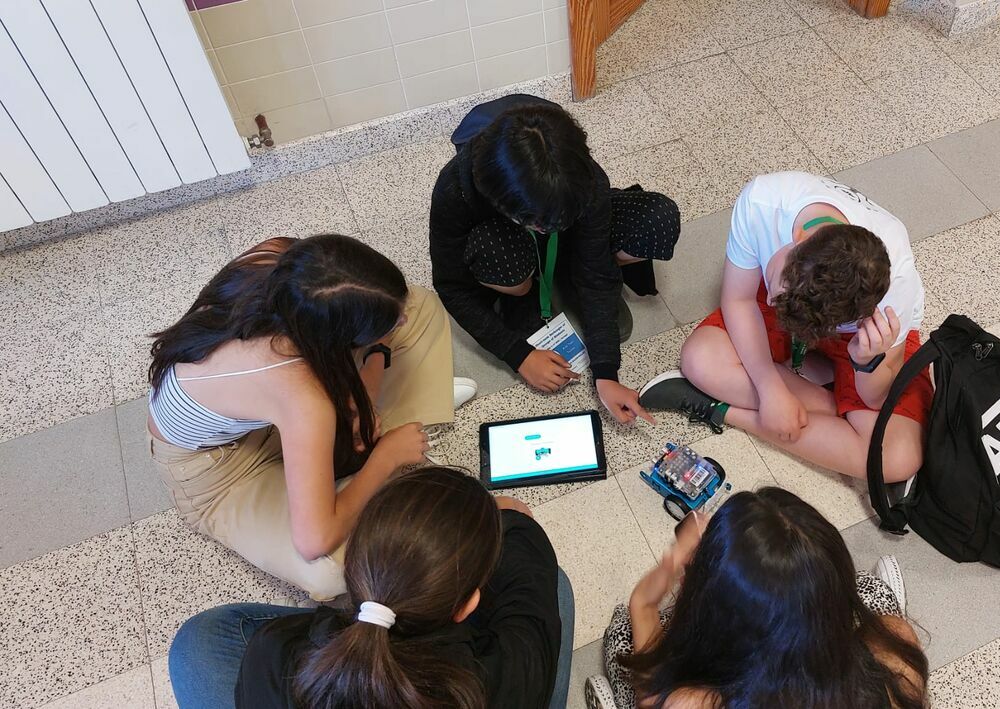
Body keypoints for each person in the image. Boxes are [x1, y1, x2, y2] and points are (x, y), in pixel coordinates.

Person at [147, 234, 475, 599]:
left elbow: (379, 326)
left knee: (420, 305)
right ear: (334, 339)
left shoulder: (279, 258)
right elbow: (314, 539)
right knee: (331, 568)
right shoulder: (302, 397)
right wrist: (385, 458)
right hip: (218, 470)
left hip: (269, 413)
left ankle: (386, 437)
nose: (401, 320)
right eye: (386, 324)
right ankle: (397, 443)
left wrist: (371, 371)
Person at [168, 467, 575, 709]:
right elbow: (524, 546)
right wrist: (503, 515)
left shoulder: (277, 651)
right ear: (467, 606)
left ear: (352, 570)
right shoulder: (497, 681)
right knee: (552, 584)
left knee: (199, 640)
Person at [638, 172, 931, 483]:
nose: (772, 299)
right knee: (701, 358)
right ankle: (835, 415)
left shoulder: (895, 282)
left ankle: (720, 408)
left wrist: (865, 363)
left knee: (897, 459)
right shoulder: (764, 202)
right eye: (778, 290)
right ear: (800, 239)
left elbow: (875, 399)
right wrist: (770, 388)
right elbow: (739, 300)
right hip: (807, 311)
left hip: (858, 340)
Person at [429, 93, 681, 424]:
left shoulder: (582, 178)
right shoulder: (456, 188)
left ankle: (565, 275)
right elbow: (451, 286)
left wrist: (606, 371)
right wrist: (518, 355)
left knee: (657, 219)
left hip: (561, 220)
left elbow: (596, 272)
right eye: (540, 224)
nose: (551, 229)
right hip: (505, 242)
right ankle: (524, 291)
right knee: (498, 255)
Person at [588, 488, 927, 709]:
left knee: (621, 636)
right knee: (872, 594)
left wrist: (667, 572)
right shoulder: (899, 645)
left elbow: (652, 678)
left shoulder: (693, 702)